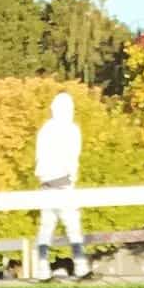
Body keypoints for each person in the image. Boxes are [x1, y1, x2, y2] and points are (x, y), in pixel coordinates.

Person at [32, 90, 87, 274]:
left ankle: (42, 266)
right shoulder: (70, 129)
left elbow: (39, 156)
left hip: (46, 182)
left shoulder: (46, 129)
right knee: (72, 223)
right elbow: (73, 156)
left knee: (46, 225)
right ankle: (80, 265)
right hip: (63, 181)